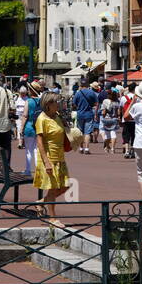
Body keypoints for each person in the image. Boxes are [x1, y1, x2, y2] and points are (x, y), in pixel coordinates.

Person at [33, 91, 73, 228]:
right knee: (52, 188)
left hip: (60, 156)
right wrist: (46, 162)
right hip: (49, 157)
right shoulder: (42, 119)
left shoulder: (57, 116)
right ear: (48, 104)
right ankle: (52, 218)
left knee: (66, 185)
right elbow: (39, 142)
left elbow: (66, 131)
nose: (59, 104)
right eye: (57, 102)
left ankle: (41, 202)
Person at [21, 81, 43, 176]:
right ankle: (38, 170)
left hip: (29, 127)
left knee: (28, 150)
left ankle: (28, 170)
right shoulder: (41, 101)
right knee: (36, 149)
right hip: (38, 127)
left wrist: (21, 128)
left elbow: (25, 116)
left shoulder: (28, 101)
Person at [71, 81, 98, 154]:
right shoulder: (91, 92)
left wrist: (79, 107)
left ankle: (81, 148)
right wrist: (95, 113)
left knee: (80, 132)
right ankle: (86, 148)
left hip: (80, 114)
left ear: (81, 85)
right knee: (87, 132)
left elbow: (74, 104)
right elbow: (96, 103)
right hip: (89, 114)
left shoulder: (78, 93)